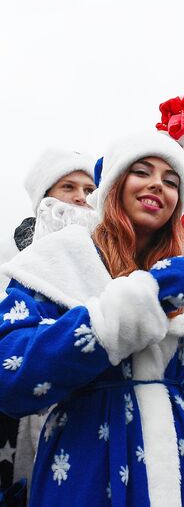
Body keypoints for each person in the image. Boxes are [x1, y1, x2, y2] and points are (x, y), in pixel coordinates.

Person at [0, 130, 184, 506]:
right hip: (89, 472)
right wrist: (123, 314)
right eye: (142, 172)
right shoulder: (57, 262)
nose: (156, 186)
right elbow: (11, 375)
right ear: (115, 184)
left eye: (170, 181)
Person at [0, 148, 98, 506]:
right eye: (68, 187)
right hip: (32, 421)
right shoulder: (18, 265)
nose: (80, 198)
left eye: (90, 189)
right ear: (44, 200)